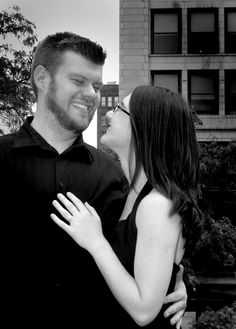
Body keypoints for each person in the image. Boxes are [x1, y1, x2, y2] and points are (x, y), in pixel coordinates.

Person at [0, 32, 186, 328]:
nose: (91, 94)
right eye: (78, 81)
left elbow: (143, 248)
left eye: (96, 86)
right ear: (42, 79)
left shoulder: (115, 176)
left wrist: (177, 282)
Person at [51, 85, 203, 328]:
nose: (109, 114)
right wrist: (178, 281)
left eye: (120, 109)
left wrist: (96, 241)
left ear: (144, 127)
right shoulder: (124, 191)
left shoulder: (157, 205)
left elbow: (144, 311)